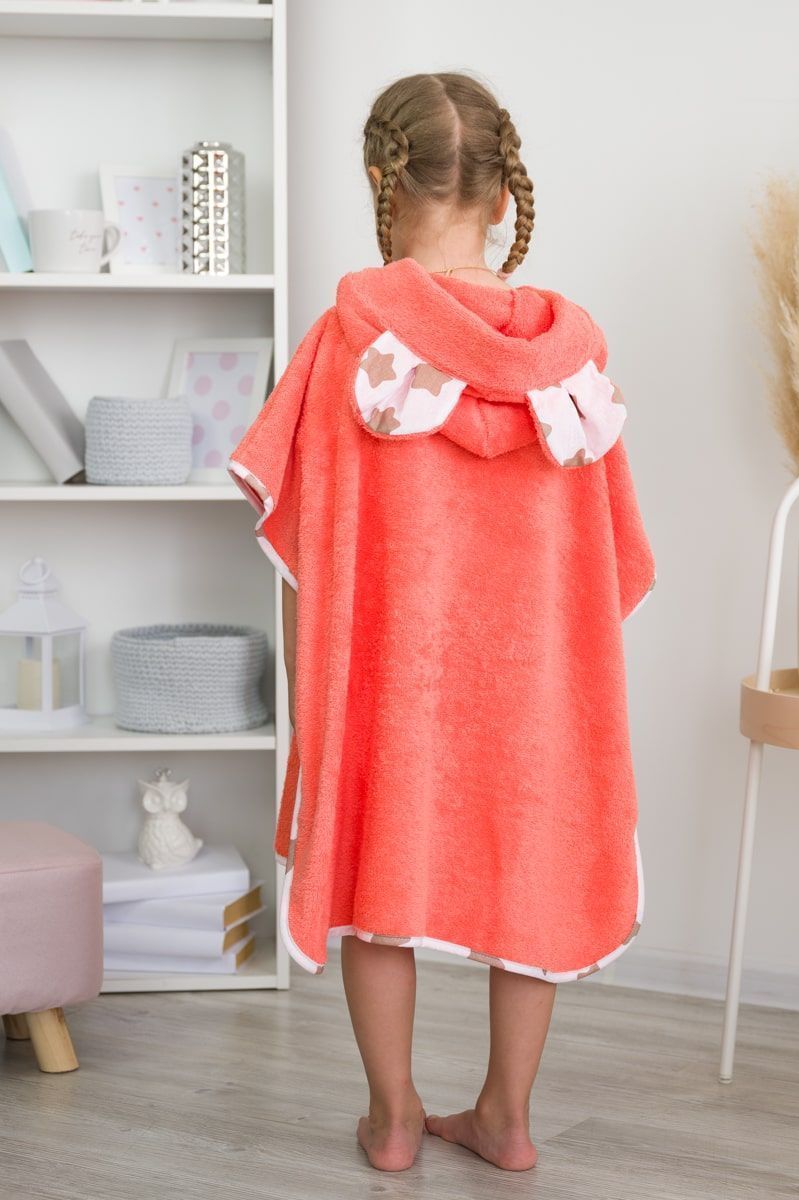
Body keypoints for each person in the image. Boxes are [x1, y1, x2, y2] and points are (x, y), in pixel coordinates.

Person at [228, 70, 655, 1175]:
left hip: (394, 683)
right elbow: (612, 556)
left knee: (381, 882)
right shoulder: (572, 364)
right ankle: (507, 1118)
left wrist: (314, 688)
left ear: (382, 178)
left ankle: (393, 1120)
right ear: (504, 196)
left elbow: (296, 526)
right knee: (535, 876)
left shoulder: (346, 341)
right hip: (537, 686)